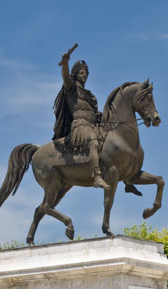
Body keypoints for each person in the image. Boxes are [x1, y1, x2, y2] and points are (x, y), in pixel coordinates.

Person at [53, 45, 110, 189]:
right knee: (93, 143)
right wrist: (65, 63)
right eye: (82, 73)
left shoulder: (89, 94)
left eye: (86, 73)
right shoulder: (71, 89)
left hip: (92, 125)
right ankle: (96, 176)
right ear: (76, 74)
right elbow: (65, 77)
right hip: (80, 126)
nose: (84, 75)